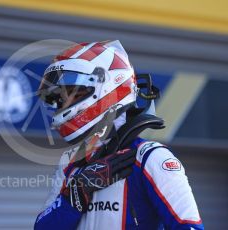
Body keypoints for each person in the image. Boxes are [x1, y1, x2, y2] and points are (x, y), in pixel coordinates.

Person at [34, 41, 204, 229]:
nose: (62, 103)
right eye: (61, 97)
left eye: (72, 92)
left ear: (106, 88)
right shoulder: (69, 163)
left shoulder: (151, 158)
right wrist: (76, 194)